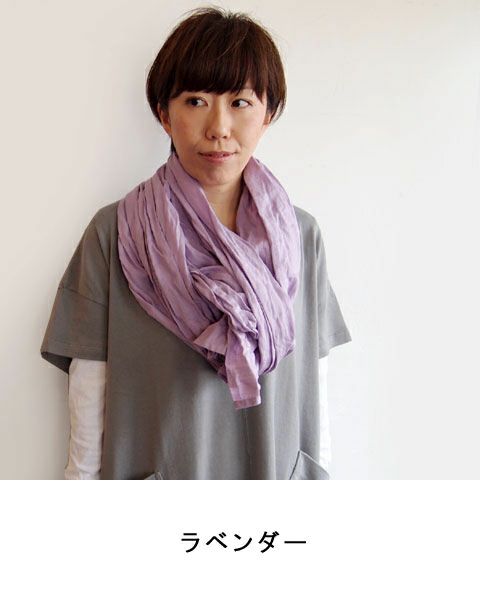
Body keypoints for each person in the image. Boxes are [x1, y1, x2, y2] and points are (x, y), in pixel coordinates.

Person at [40, 6, 352, 480]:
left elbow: (315, 383)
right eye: (196, 101)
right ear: (164, 115)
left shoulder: (301, 236)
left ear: (268, 114)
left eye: (240, 102)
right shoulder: (117, 231)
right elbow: (89, 388)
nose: (219, 127)